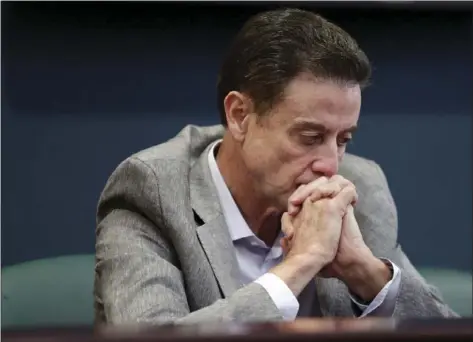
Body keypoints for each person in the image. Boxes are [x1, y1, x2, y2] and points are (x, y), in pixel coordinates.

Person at [94, 8, 457, 325]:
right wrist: (300, 266)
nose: (330, 166)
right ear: (240, 116)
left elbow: (447, 332)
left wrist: (365, 271)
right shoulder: (152, 191)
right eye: (310, 137)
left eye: (343, 139)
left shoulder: (360, 188)